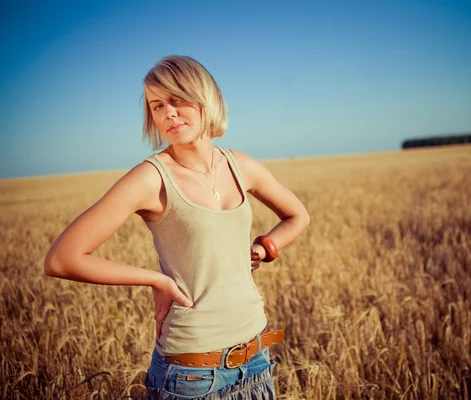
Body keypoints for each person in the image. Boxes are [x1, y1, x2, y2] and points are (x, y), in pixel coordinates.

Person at [44, 55, 310, 399]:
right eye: (157, 106)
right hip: (192, 376)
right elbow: (62, 259)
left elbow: (297, 216)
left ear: (205, 100)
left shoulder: (240, 165)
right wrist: (157, 280)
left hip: (257, 360)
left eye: (177, 100)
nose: (168, 113)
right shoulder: (151, 178)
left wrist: (260, 250)